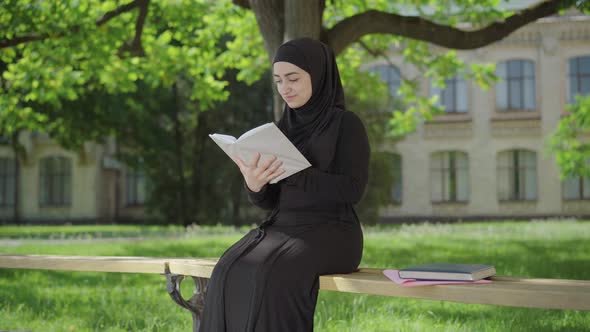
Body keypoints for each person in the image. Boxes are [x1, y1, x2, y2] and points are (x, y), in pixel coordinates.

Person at [199, 37, 370, 332]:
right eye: (278, 80)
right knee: (227, 268)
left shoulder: (346, 124)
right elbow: (270, 202)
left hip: (334, 232)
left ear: (318, 76)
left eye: (293, 78)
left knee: (271, 272)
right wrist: (255, 185)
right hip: (282, 229)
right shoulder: (280, 129)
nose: (285, 88)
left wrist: (295, 173)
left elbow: (352, 191)